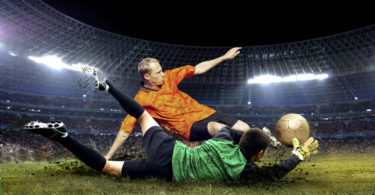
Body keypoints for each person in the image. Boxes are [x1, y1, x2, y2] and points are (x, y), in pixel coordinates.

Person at [23, 70, 319, 182]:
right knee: (106, 167)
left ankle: (107, 85)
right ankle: (62, 136)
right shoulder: (244, 171)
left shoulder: (226, 138)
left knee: (142, 114)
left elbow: (218, 127)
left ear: (240, 141)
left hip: (169, 147)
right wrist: (299, 154)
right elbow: (275, 174)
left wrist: (230, 130)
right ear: (258, 155)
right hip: (168, 168)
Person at [105, 47, 280, 160]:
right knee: (216, 128)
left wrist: (224, 57)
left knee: (244, 128)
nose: (163, 74)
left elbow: (198, 68)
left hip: (203, 111)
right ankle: (243, 163)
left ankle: (256, 151)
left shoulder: (169, 77)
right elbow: (124, 130)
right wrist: (109, 155)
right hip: (188, 128)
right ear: (147, 77)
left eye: (162, 70)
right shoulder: (141, 101)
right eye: (158, 72)